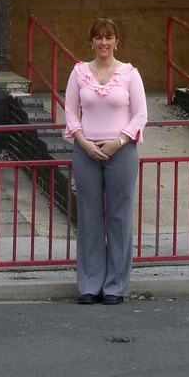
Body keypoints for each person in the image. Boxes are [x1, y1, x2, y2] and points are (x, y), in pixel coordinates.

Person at [64, 17, 148, 305]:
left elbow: (140, 115)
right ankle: (89, 284)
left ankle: (115, 286)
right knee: (88, 217)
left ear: (116, 41)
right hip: (86, 150)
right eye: (98, 37)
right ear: (91, 41)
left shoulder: (129, 74)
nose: (103, 42)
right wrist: (84, 142)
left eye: (108, 37)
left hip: (121, 151)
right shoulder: (78, 73)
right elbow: (71, 112)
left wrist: (118, 141)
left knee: (119, 217)